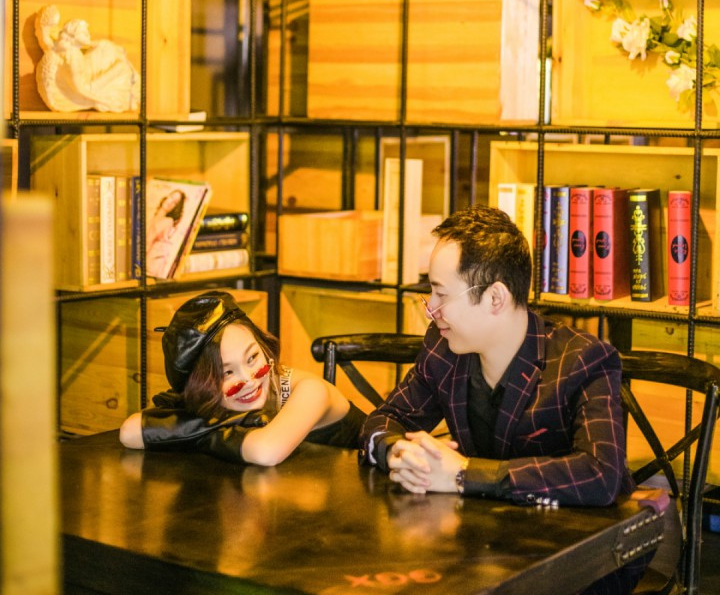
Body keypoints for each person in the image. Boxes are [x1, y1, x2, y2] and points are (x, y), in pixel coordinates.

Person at [360, 205, 647, 594]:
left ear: (495, 297)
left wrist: (465, 474)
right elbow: (384, 420)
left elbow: (601, 475)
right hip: (482, 547)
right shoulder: (444, 349)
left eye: (441, 293)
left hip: (581, 560)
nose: (431, 310)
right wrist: (397, 452)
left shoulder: (580, 359)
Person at [120, 290, 365, 465]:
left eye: (252, 358)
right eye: (227, 372)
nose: (248, 379)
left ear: (264, 347)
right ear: (202, 385)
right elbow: (130, 431)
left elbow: (265, 451)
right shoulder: (216, 399)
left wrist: (195, 432)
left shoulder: (310, 391)